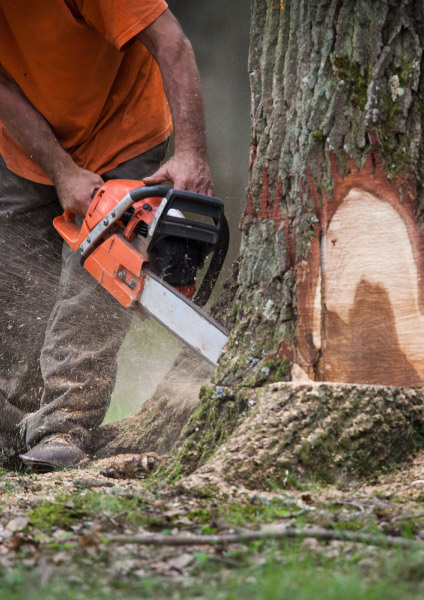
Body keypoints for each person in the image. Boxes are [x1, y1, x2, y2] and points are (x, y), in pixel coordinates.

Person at [0, 1, 213, 470]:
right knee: (15, 293)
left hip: (125, 130)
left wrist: (192, 155)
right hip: (25, 148)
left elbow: (172, 42)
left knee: (95, 284)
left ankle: (64, 428)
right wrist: (61, 171)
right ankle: (12, 433)